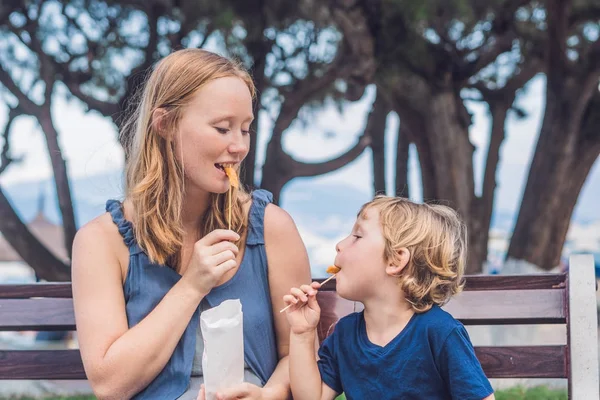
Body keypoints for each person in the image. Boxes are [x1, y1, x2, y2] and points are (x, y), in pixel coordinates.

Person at [72, 48, 311, 400]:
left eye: (245, 129)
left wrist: (268, 395)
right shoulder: (101, 242)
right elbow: (110, 385)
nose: (239, 146)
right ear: (165, 124)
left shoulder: (272, 228)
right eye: (222, 128)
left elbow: (298, 352)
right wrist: (192, 285)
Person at [283, 196, 495, 400]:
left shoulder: (439, 332)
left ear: (395, 260)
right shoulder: (345, 334)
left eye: (357, 236)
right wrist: (302, 333)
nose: (339, 244)